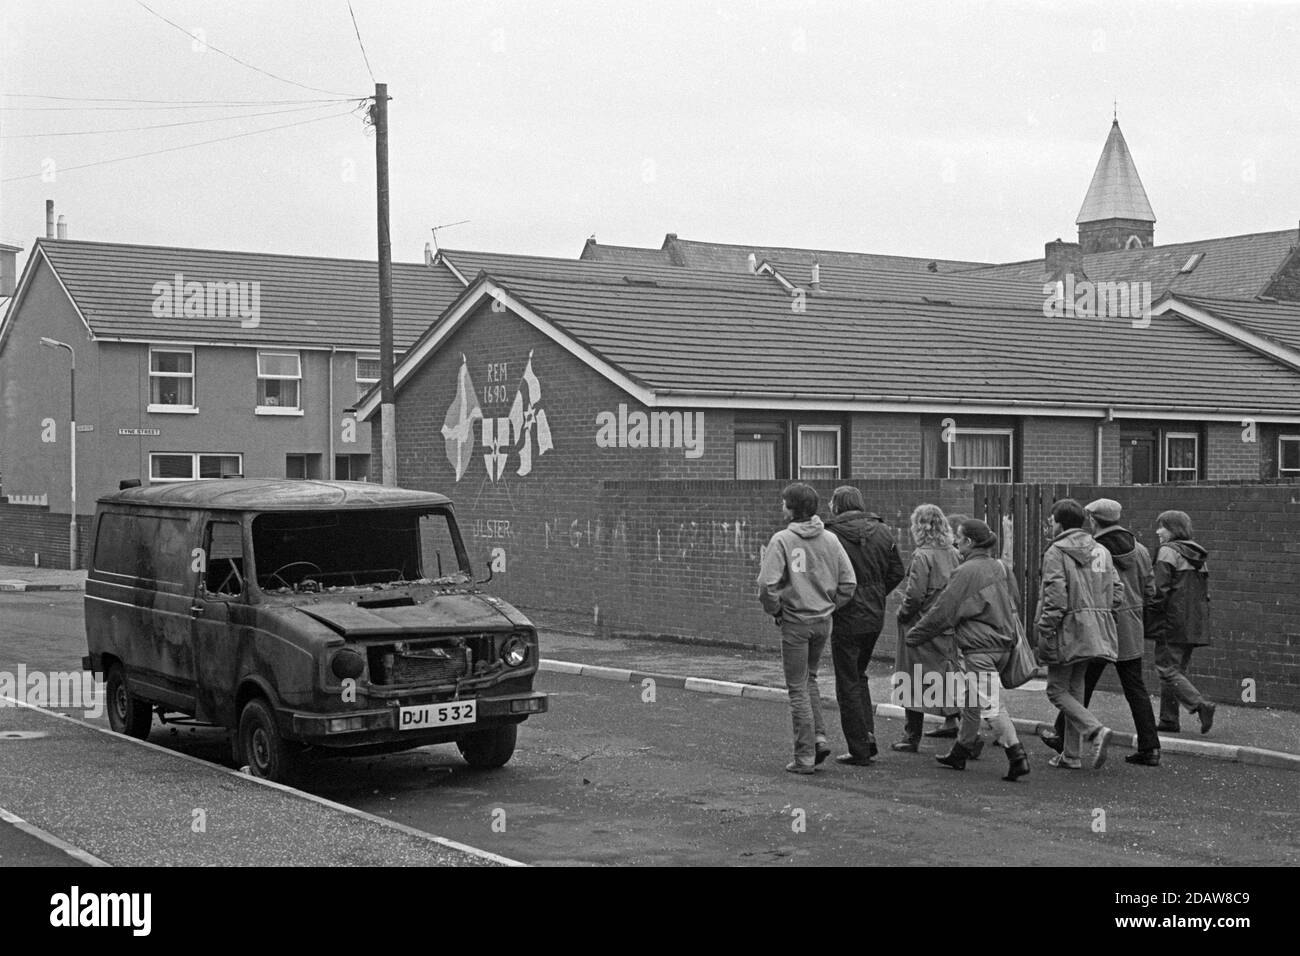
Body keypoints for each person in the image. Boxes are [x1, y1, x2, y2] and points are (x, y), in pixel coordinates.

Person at [906, 518, 1030, 782]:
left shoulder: (965, 572)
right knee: (970, 697)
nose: (955, 543)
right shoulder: (1001, 567)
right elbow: (1015, 601)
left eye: (960, 539)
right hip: (1004, 645)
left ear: (970, 543)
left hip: (979, 648)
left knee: (990, 704)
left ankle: (1016, 754)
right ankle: (961, 749)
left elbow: (943, 611)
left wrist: (915, 635)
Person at [1041, 499, 1161, 765]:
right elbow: (1144, 591)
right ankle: (1149, 747)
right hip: (1122, 626)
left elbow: (1057, 596)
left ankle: (1089, 731)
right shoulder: (1137, 550)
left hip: (1083, 626)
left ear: (1094, 520)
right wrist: (1107, 610)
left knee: (1064, 687)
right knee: (1132, 687)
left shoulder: (1069, 550)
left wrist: (1046, 629)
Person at [757, 483, 857, 774]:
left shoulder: (783, 540)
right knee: (810, 679)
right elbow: (848, 583)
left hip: (796, 623)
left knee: (797, 687)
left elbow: (766, 585)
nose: (781, 507)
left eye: (784, 503)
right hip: (823, 622)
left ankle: (804, 757)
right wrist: (828, 606)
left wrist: (777, 610)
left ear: (793, 508)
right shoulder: (830, 539)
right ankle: (819, 738)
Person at [1035, 498, 1119, 770]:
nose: (1050, 525)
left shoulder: (1056, 552)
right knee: (1075, 688)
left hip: (1067, 628)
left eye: (1051, 520)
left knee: (1056, 690)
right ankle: (1071, 755)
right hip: (1097, 628)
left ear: (1059, 523)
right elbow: (1117, 592)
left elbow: (1056, 597)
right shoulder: (1102, 550)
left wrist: (1045, 629)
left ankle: (1095, 730)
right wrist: (1099, 612)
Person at [824, 486, 905, 765]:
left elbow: (825, 575)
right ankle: (866, 737)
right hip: (874, 614)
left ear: (837, 505)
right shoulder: (882, 532)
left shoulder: (831, 535)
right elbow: (898, 571)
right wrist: (875, 593)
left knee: (847, 680)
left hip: (846, 613)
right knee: (859, 675)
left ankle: (859, 747)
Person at [892, 503, 964, 754]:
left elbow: (914, 595)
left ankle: (911, 736)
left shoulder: (922, 555)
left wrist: (902, 614)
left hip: (921, 625)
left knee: (911, 678)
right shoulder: (954, 553)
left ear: (919, 527)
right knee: (949, 674)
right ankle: (956, 723)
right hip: (947, 624)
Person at [1147, 510, 1215, 735]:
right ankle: (1168, 720)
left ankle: (1199, 705)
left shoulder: (1168, 552)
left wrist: (1148, 613)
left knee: (1167, 670)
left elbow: (1159, 591)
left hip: (1171, 622)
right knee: (1176, 671)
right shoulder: (1197, 554)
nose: (1158, 531)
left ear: (1174, 529)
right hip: (1194, 623)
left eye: (1162, 527)